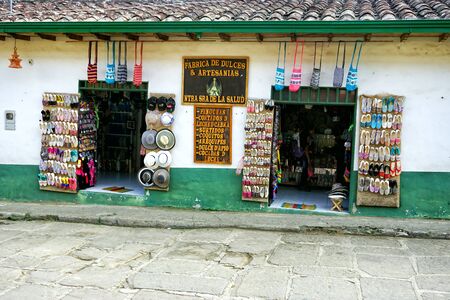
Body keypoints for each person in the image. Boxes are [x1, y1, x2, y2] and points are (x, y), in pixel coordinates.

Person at [292, 126, 313, 191]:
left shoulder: (301, 136)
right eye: (313, 130)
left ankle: (302, 185)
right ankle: (303, 186)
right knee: (305, 171)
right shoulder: (307, 137)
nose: (313, 132)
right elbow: (306, 149)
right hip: (304, 156)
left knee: (304, 171)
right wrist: (309, 160)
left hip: (301, 155)